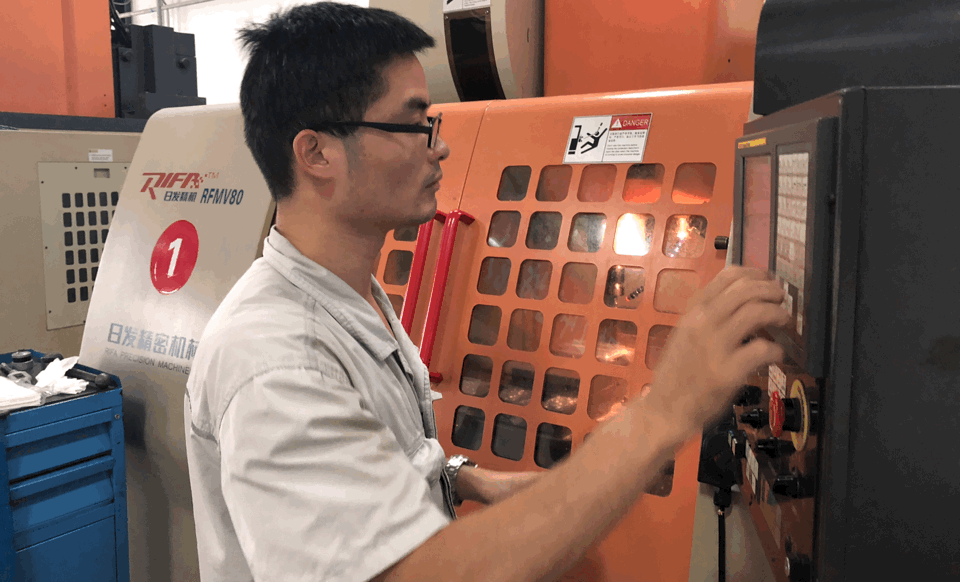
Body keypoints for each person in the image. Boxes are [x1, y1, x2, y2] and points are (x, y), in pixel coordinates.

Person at [183, 3, 791, 582]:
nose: (439, 145)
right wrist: (666, 412)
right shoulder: (276, 361)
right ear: (316, 153)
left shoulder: (352, 295)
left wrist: (465, 479)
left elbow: (373, 461)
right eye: (414, 124)